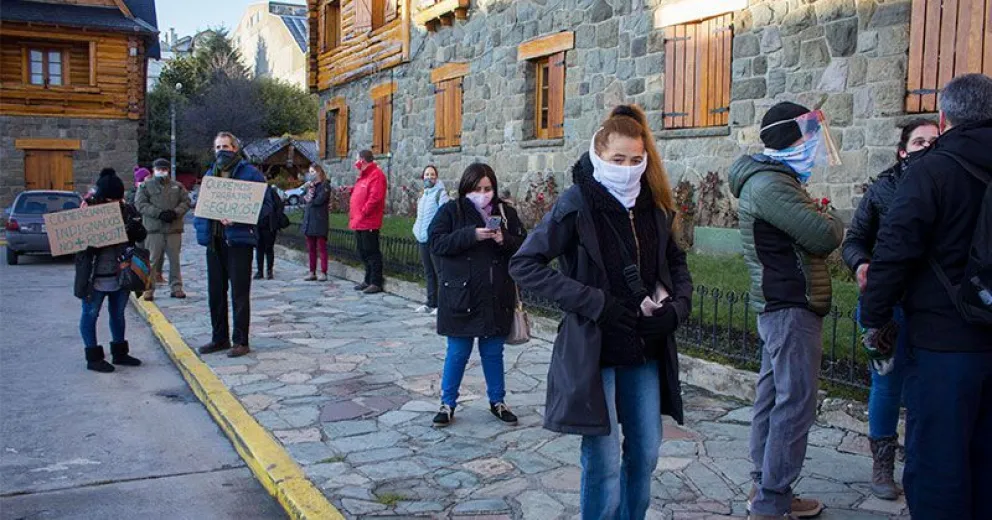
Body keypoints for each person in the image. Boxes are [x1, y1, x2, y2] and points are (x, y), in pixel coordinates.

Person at [510, 105, 692, 519]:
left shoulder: (655, 205)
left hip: (644, 347)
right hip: (595, 350)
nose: (627, 169)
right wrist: (596, 303)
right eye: (617, 160)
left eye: (635, 160)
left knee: (645, 451)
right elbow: (524, 264)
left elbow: (677, 265)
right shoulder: (577, 203)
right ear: (598, 155)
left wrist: (677, 309)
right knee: (604, 461)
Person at [860, 73, 992, 519]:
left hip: (944, 340)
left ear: (944, 116)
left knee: (939, 461)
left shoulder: (932, 169)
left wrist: (875, 316)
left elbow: (895, 249)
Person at [728, 101, 845, 520]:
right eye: (810, 137)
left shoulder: (776, 180)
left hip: (783, 306)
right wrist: (827, 213)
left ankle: (768, 486)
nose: (814, 146)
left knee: (775, 396)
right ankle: (772, 499)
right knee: (795, 402)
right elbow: (821, 235)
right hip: (789, 306)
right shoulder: (771, 185)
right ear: (793, 139)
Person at [841, 119, 938, 500]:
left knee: (926, 386)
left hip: (933, 305)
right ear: (903, 150)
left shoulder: (951, 181)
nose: (928, 146)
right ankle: (882, 462)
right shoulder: (884, 188)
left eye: (934, 140)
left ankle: (919, 461)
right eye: (919, 141)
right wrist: (861, 264)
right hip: (890, 301)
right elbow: (854, 239)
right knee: (887, 381)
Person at [428, 163, 526, 428]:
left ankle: (498, 401)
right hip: (461, 296)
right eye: (477, 189)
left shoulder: (504, 212)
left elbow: (523, 245)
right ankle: (447, 403)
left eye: (488, 188)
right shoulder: (451, 210)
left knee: (493, 351)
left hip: (495, 295)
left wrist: (502, 239)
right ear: (466, 188)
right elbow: (436, 242)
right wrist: (470, 235)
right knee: (458, 351)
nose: (483, 194)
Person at [193, 132, 269, 358]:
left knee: (239, 293)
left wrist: (240, 217)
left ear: (235, 148)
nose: (221, 151)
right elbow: (202, 206)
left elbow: (265, 206)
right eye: (217, 147)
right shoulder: (211, 173)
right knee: (215, 292)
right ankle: (219, 337)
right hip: (215, 240)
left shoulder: (251, 174)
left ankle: (241, 340)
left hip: (238, 241)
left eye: (226, 146)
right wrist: (203, 231)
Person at [75, 168, 147, 372]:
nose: (114, 204)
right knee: (90, 314)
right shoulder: (87, 211)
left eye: (117, 200)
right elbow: (78, 245)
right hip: (93, 276)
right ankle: (93, 356)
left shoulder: (128, 210)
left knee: (118, 314)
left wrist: (132, 229)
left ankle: (120, 352)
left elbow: (142, 234)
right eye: (109, 200)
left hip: (121, 274)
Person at [135, 158, 190, 301]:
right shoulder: (145, 186)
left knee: (174, 260)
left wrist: (176, 212)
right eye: (159, 169)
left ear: (168, 170)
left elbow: (186, 202)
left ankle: (176, 288)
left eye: (164, 169)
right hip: (154, 230)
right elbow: (140, 204)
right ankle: (148, 289)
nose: (161, 171)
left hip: (173, 229)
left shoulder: (177, 186)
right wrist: (158, 213)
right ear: (153, 170)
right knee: (152, 261)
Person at [412, 165, 449, 314]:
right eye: (427, 174)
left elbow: (444, 216)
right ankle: (430, 302)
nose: (429, 177)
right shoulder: (423, 194)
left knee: (439, 272)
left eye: (432, 174)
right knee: (429, 272)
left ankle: (442, 304)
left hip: (434, 239)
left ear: (437, 177)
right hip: (422, 237)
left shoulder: (441, 194)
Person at [349, 150, 386, 294]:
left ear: (363, 160)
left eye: (357, 159)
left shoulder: (376, 175)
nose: (356, 162)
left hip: (368, 221)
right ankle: (368, 279)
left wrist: (364, 212)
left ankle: (376, 281)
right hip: (360, 220)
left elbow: (375, 198)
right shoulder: (363, 176)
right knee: (362, 251)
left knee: (371, 252)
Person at [301, 164, 331, 282]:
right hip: (309, 220)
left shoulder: (325, 185)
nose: (311, 174)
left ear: (319, 172)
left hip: (319, 220)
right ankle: (311, 271)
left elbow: (319, 200)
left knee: (321, 248)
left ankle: (323, 272)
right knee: (311, 248)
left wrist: (311, 194)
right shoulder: (311, 186)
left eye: (313, 171)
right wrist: (307, 189)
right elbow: (303, 199)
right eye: (310, 172)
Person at [255, 183, 286, 280]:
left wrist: (275, 218)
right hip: (258, 224)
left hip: (269, 225)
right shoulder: (256, 192)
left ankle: (269, 270)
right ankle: (260, 271)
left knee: (268, 248)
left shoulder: (271, 192)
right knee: (259, 248)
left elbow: (279, 206)